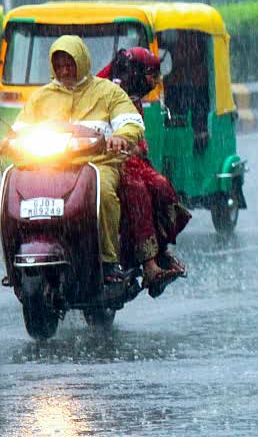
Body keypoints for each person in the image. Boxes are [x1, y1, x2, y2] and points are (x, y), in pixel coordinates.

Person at [13, 36, 144, 282]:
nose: (64, 70)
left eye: (70, 64)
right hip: (47, 166)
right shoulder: (41, 96)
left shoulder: (107, 92)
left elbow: (130, 120)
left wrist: (121, 137)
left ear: (82, 62)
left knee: (103, 194)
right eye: (59, 65)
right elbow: (20, 129)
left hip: (97, 163)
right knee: (15, 192)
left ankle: (108, 261)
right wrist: (8, 140)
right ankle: (15, 259)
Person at [97, 48, 190, 295]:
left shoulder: (132, 94)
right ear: (136, 71)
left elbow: (139, 140)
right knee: (136, 191)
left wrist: (133, 147)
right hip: (100, 160)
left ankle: (160, 250)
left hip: (127, 158)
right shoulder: (100, 91)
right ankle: (149, 266)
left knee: (161, 185)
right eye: (151, 74)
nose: (155, 81)